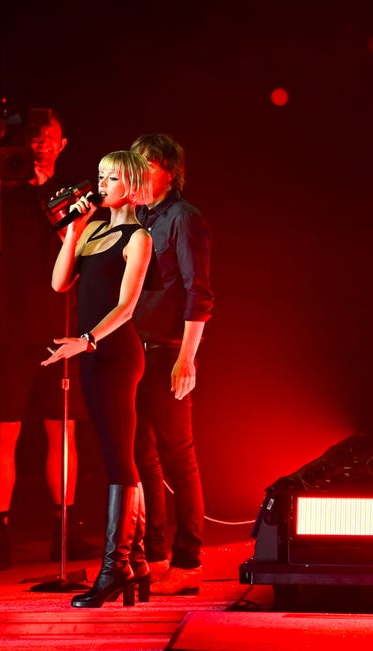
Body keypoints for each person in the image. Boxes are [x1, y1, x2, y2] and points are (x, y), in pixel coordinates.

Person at [0, 108, 95, 569]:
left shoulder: (72, 194)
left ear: (62, 144)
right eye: (34, 137)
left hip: (57, 327)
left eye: (50, 137)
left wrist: (46, 187)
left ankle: (62, 529)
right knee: (2, 436)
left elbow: (73, 245)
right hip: (10, 325)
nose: (41, 144)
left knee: (61, 432)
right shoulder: (3, 190)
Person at [42, 150, 153, 608]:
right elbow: (58, 284)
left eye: (111, 177)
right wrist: (71, 233)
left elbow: (126, 308)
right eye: (100, 175)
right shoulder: (92, 230)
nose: (100, 183)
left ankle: (115, 568)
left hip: (115, 353)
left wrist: (86, 340)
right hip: (90, 353)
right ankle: (138, 562)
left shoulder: (138, 236)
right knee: (116, 454)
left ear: (130, 186)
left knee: (116, 458)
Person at [130, 134, 213, 595]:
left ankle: (188, 562)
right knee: (143, 455)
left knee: (179, 455)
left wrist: (187, 356)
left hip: (167, 350)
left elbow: (199, 292)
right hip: (134, 351)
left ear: (165, 168)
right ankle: (156, 553)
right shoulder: (141, 218)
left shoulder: (184, 219)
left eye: (144, 163)